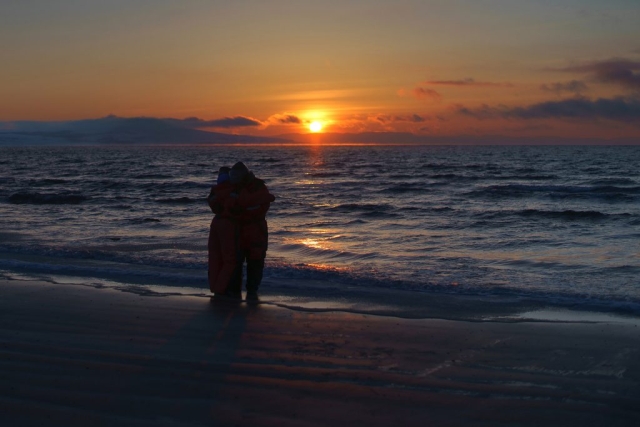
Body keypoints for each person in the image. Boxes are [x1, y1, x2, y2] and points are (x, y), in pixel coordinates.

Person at [225, 161, 275, 301]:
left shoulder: (258, 186)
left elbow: (261, 207)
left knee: (256, 261)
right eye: (232, 175)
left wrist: (241, 209)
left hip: (256, 231)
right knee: (236, 262)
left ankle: (252, 290)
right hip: (238, 231)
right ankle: (235, 290)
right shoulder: (231, 188)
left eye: (236, 175)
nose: (234, 177)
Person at [206, 166, 239, 297]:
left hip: (216, 222)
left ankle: (215, 287)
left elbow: (214, 205)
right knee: (229, 259)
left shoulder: (215, 190)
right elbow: (235, 205)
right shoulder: (233, 188)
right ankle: (222, 288)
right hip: (227, 223)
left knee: (214, 257)